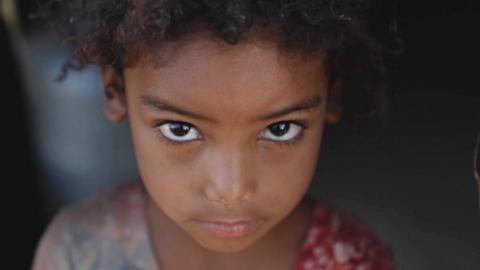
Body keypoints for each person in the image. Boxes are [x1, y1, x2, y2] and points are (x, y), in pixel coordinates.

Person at [32, 1, 394, 269]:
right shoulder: (76, 251)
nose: (231, 189)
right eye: (180, 129)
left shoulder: (357, 261)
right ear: (115, 93)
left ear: (332, 97)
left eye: (280, 129)